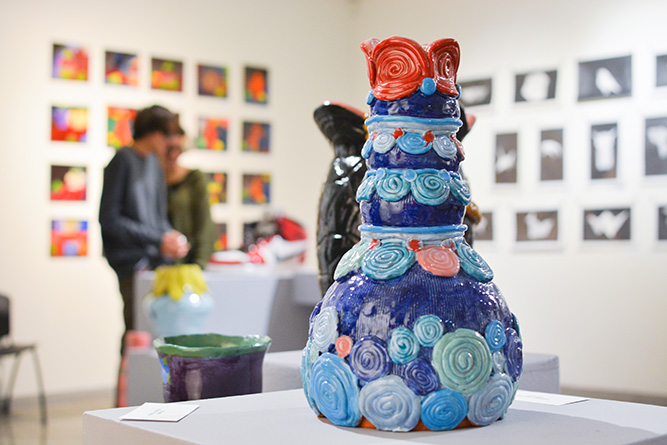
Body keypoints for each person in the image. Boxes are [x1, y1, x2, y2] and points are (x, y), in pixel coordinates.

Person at [99, 105, 190, 344]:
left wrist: (171, 237)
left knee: (158, 332)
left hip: (157, 262)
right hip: (131, 262)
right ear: (152, 132)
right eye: (166, 134)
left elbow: (159, 216)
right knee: (136, 331)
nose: (169, 141)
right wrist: (158, 239)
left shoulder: (154, 164)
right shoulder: (122, 160)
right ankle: (127, 382)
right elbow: (109, 219)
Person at [160, 126, 216, 268]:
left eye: (177, 149)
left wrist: (199, 264)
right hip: (159, 263)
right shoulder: (152, 180)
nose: (173, 155)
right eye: (168, 149)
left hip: (190, 262)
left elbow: (204, 224)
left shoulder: (194, 178)